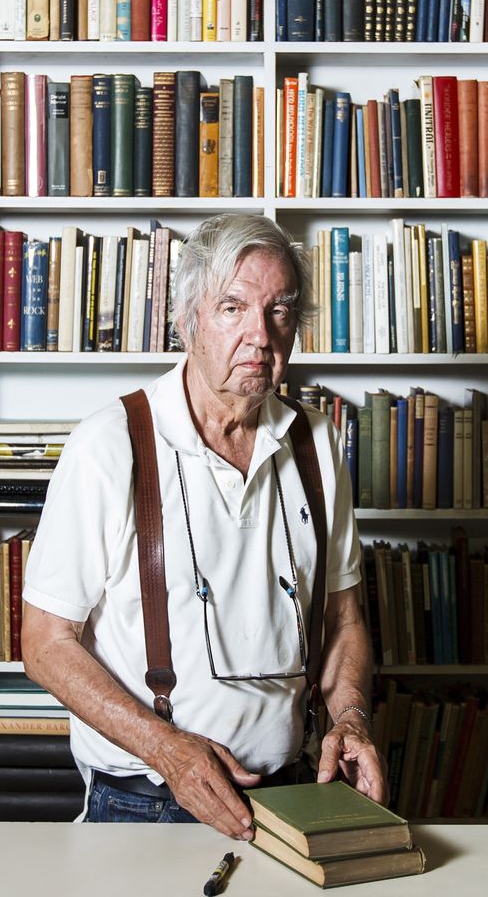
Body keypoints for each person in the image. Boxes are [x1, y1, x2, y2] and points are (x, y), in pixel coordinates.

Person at [20, 213, 385, 840]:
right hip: (145, 802)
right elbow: (46, 644)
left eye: (279, 311)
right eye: (232, 307)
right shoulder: (110, 445)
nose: (259, 337)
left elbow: (343, 619)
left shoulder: (318, 444)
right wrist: (165, 748)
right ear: (188, 321)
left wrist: (350, 718)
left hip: (295, 794)